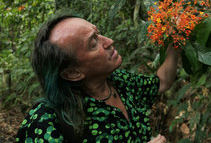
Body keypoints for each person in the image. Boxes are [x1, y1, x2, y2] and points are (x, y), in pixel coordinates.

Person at [16, 15, 179, 143]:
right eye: (93, 42)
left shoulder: (120, 82)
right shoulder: (46, 119)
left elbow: (162, 82)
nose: (109, 41)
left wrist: (174, 41)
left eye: (98, 33)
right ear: (73, 73)